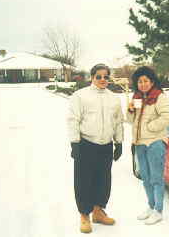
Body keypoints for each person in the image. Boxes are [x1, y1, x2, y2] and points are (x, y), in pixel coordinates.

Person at [67, 63, 124, 233]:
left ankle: (98, 211)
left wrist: (119, 142)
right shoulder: (80, 96)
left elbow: (118, 122)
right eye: (98, 76)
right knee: (84, 181)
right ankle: (84, 215)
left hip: (105, 145)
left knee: (103, 180)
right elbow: (73, 120)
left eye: (106, 76)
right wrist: (74, 143)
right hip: (86, 145)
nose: (102, 79)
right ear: (92, 77)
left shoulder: (114, 98)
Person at [127, 66, 169, 225]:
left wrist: (149, 127)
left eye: (146, 81)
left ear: (152, 81)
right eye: (140, 81)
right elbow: (132, 121)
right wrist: (130, 111)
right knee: (145, 178)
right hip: (140, 143)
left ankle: (158, 210)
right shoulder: (137, 97)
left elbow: (166, 118)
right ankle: (151, 206)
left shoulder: (159, 97)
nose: (143, 84)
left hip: (155, 142)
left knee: (156, 178)